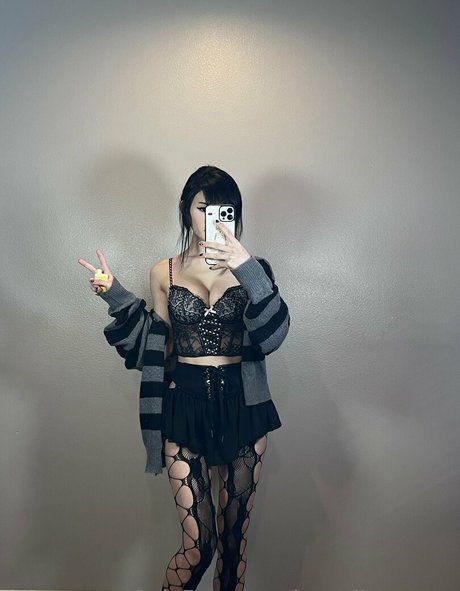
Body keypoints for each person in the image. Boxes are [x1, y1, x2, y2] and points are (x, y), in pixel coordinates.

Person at [78, 165, 290, 591]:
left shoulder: (255, 271)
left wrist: (246, 268)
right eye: (202, 207)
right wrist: (114, 294)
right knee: (198, 545)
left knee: (233, 545)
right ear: (185, 209)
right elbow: (154, 348)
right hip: (184, 406)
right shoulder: (166, 272)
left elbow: (273, 336)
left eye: (224, 209)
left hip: (243, 406)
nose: (212, 216)